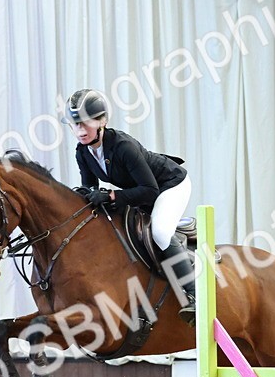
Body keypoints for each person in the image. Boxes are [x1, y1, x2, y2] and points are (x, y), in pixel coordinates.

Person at [65, 88, 197, 326]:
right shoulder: (82, 152)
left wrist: (111, 196)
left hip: (169, 185)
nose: (80, 131)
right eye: (75, 125)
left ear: (102, 121)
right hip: (142, 191)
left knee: (159, 232)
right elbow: (89, 189)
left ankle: (194, 294)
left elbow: (150, 190)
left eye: (86, 124)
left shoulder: (123, 146)